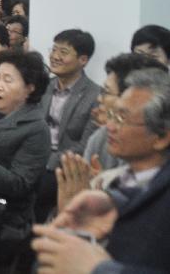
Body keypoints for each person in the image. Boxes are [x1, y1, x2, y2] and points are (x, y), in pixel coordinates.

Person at [31, 68, 170, 274]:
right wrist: (69, 222)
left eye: (122, 118)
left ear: (161, 137)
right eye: (112, 114)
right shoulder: (113, 184)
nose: (110, 126)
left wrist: (99, 269)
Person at [0, 49, 51, 270]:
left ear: (29, 88)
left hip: (2, 219)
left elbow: (19, 184)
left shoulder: (37, 129)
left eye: (8, 80)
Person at [35, 29, 101, 223]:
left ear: (83, 60)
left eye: (63, 52)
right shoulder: (44, 86)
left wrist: (48, 161)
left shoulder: (95, 96)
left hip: (62, 167)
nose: (55, 56)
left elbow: (86, 145)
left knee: (38, 188)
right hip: (34, 157)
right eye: (54, 50)